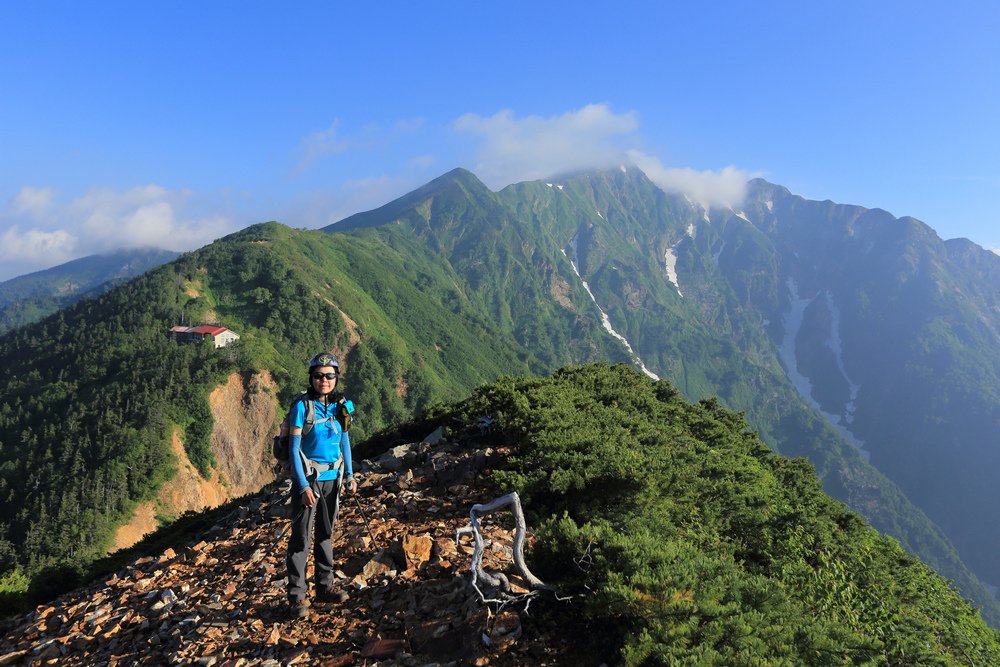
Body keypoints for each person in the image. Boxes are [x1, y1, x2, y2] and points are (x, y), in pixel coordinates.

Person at [286, 352, 358, 619]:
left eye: (329, 376)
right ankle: (297, 597)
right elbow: (294, 449)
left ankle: (324, 588)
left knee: (326, 535)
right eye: (319, 376)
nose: (324, 380)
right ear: (311, 378)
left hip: (332, 481)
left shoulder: (342, 407)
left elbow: (345, 443)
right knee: (301, 539)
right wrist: (303, 486)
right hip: (308, 482)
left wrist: (350, 475)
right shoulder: (301, 408)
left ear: (336, 378)